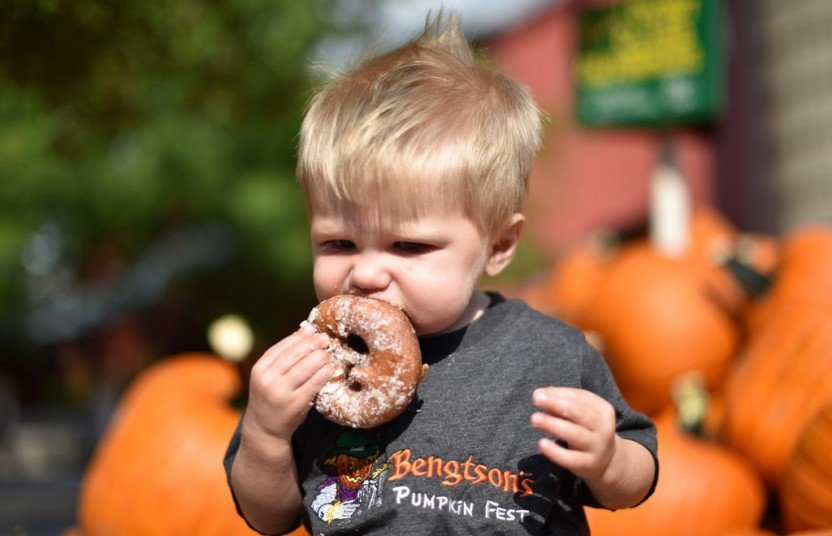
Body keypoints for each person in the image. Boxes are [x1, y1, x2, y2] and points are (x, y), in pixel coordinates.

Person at [224, 11, 657, 535]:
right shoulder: (314, 369)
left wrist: (609, 460)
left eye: (409, 245)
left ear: (498, 246)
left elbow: (638, 477)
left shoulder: (548, 354)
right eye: (338, 242)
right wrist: (267, 434)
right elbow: (268, 518)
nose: (364, 273)